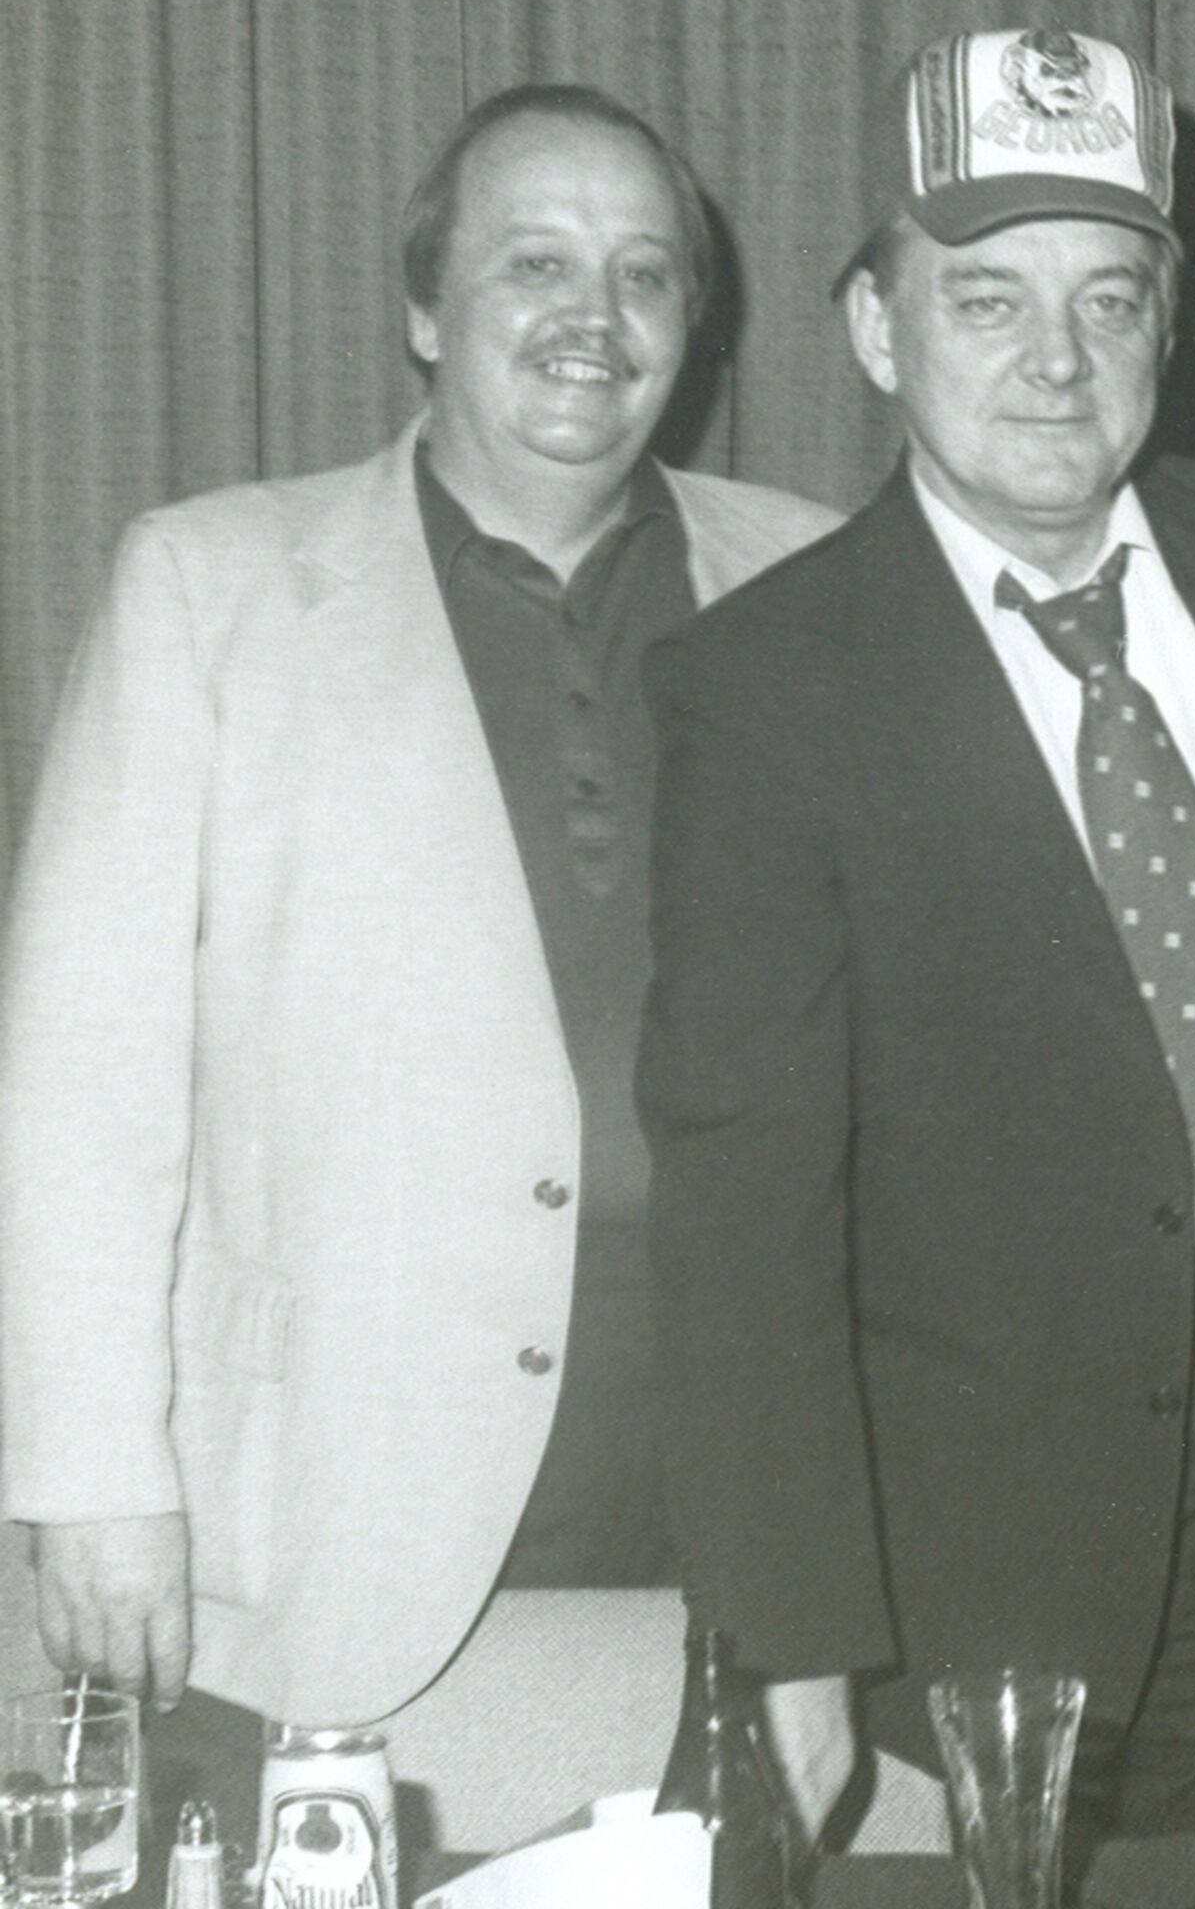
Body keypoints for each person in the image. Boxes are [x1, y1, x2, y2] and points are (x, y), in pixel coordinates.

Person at [0, 89, 835, 1766]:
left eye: (645, 275)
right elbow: (77, 1082)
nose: (594, 319)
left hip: (741, 1499)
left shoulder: (816, 580)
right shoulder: (210, 589)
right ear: (423, 309)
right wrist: (91, 1480)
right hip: (332, 1517)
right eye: (534, 262)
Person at [643, 28, 1195, 1861]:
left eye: (1110, 299)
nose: (1057, 364)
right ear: (879, 330)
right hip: (1025, 1509)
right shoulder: (769, 689)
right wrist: (796, 1644)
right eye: (987, 301)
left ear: (1172, 329)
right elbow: (743, 1205)